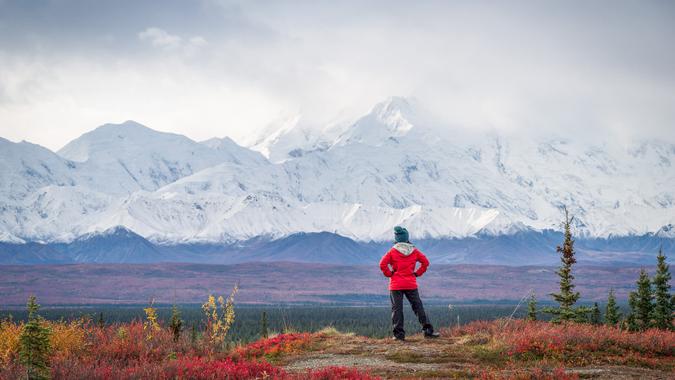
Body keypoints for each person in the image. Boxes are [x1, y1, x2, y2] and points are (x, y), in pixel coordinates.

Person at [379, 226, 440, 341]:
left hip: (396, 285)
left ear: (396, 238)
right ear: (407, 238)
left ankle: (399, 335)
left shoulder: (392, 251)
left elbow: (382, 264)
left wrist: (390, 274)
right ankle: (428, 331)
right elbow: (425, 262)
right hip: (410, 284)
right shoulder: (414, 251)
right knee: (418, 307)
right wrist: (417, 273)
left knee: (397, 309)